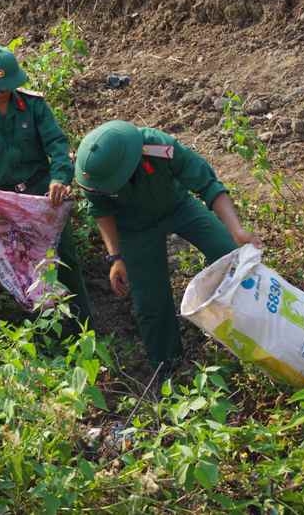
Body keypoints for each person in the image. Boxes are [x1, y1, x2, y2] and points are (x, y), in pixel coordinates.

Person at [74, 120, 261, 376]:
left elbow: (207, 184)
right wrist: (116, 257)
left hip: (177, 206)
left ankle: (252, 331)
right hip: (135, 228)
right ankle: (168, 367)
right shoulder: (93, 174)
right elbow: (101, 212)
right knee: (150, 302)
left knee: (229, 253)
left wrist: (236, 230)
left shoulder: (157, 146)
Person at [0, 47, 91, 325]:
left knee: (63, 261)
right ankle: (45, 339)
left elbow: (57, 145)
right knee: (21, 269)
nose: (1, 93)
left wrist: (60, 177)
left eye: (7, 88)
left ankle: (83, 327)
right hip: (1, 205)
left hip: (41, 198)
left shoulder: (34, 106)